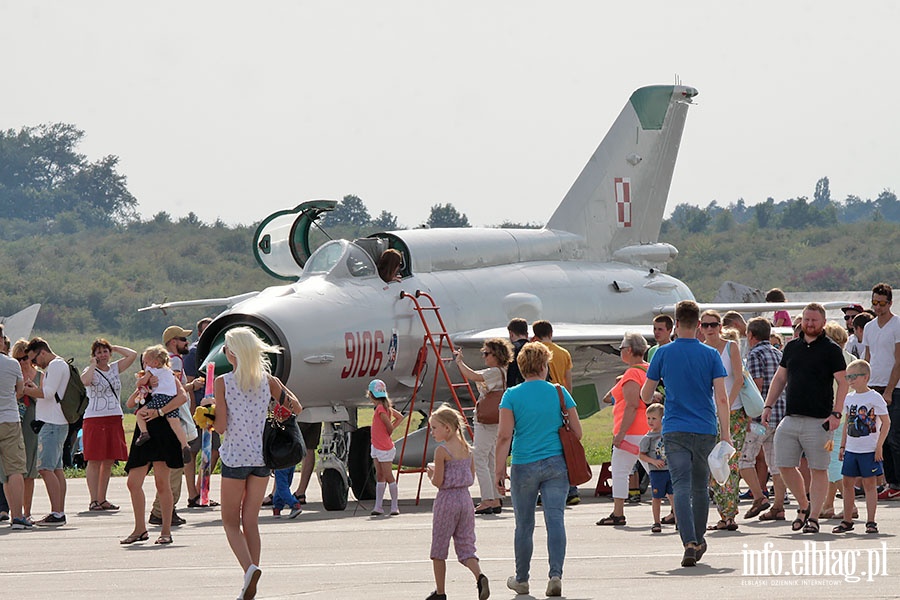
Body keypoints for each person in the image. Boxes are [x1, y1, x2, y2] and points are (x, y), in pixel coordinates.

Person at [640, 300, 730, 568]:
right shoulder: (711, 354)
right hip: (704, 427)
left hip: (675, 427)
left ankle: (688, 541)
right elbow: (722, 398)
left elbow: (646, 394)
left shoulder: (662, 353)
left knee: (679, 484)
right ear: (699, 325)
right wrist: (725, 434)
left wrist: (656, 395)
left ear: (676, 324)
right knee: (700, 486)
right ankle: (699, 538)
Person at [215, 326, 301, 600]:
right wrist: (274, 415)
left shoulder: (223, 382)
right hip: (262, 457)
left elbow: (220, 427)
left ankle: (249, 569)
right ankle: (252, 576)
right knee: (250, 520)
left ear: (232, 353)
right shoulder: (269, 380)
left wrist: (207, 415)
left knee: (229, 521)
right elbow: (296, 407)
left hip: (234, 457)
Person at [495, 342, 580, 597]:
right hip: (556, 463)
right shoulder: (559, 392)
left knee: (524, 524)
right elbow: (577, 431)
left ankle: (522, 579)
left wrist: (499, 470)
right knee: (555, 520)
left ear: (521, 367)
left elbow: (503, 436)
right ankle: (555, 575)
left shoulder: (511, 395)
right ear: (545, 366)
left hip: (524, 463)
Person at [762, 303, 848, 535]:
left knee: (819, 469)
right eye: (806, 320)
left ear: (823, 322)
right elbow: (781, 378)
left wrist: (836, 413)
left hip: (819, 420)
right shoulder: (792, 347)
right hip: (791, 417)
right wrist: (768, 405)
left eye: (814, 320)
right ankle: (803, 504)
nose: (809, 324)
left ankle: (813, 517)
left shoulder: (831, 350)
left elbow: (844, 382)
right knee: (783, 465)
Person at [425, 404, 490, 600]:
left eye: (434, 428)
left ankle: (441, 592)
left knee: (439, 548)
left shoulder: (442, 451)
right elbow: (470, 477)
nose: (432, 432)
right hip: (465, 500)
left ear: (447, 427)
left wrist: (430, 474)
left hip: (447, 500)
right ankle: (479, 576)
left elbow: (439, 481)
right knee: (466, 545)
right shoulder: (467, 449)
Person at [121, 367, 190, 546]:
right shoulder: (144, 382)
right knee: (133, 483)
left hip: (164, 432)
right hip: (144, 436)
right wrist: (142, 386)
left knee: (162, 483)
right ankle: (140, 529)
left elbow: (182, 397)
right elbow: (130, 404)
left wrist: (160, 411)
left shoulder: (168, 378)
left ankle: (166, 531)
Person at [149, 325, 204, 527]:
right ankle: (162, 511)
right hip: (174, 419)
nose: (186, 343)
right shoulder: (175, 362)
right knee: (174, 467)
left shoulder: (170, 362)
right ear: (173, 342)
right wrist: (192, 386)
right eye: (182, 339)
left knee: (174, 468)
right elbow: (172, 391)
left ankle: (164, 509)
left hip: (173, 417)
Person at [699, 312, 747, 532]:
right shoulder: (699, 349)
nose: (710, 329)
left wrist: (726, 403)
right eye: (705, 324)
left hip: (733, 412)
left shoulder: (730, 348)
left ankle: (729, 514)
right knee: (712, 464)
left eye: (714, 324)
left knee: (729, 463)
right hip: (707, 413)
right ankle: (723, 512)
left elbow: (738, 378)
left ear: (720, 326)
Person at [454, 337, 513, 514]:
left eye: (487, 353)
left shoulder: (495, 371)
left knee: (479, 457)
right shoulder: (500, 371)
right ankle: (495, 497)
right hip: (495, 419)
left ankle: (488, 499)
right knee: (490, 458)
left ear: (496, 355)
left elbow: (474, 376)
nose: (484, 357)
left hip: (486, 420)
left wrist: (459, 363)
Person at [596, 332, 649, 526]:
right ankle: (674, 510)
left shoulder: (632, 374)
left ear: (628, 350)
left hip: (631, 432)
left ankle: (618, 512)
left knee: (620, 471)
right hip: (649, 428)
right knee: (656, 471)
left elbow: (631, 405)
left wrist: (620, 434)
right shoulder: (647, 370)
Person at [834, 359, 890, 534]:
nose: (850, 380)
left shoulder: (874, 397)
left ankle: (871, 521)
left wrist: (879, 446)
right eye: (848, 377)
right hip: (852, 448)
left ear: (865, 377)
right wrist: (842, 446)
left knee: (869, 485)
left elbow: (886, 423)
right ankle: (847, 519)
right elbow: (847, 424)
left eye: (853, 376)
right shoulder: (849, 398)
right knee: (847, 483)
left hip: (869, 449)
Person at [80, 339, 137, 512]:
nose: (102, 355)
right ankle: (93, 500)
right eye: (98, 352)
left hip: (114, 417)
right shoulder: (90, 370)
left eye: (105, 351)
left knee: (108, 460)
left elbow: (133, 355)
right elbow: (85, 381)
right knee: (94, 459)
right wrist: (92, 365)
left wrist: (115, 347)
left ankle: (102, 498)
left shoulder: (114, 368)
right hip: (95, 418)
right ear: (94, 355)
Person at [739, 318, 787, 522]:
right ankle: (779, 505)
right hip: (780, 415)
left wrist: (750, 416)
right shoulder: (778, 353)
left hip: (761, 419)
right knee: (775, 463)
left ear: (751, 335)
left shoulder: (754, 354)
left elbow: (756, 387)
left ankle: (759, 496)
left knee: (744, 459)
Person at [23, 337, 71, 527]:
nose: (34, 364)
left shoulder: (55, 365)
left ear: (42, 352)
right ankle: (59, 511)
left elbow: (48, 393)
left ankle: (57, 512)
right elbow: (48, 393)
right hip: (55, 422)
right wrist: (36, 389)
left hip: (52, 423)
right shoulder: (57, 365)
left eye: (34, 359)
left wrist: (27, 391)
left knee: (45, 468)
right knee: (56, 469)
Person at [532, 320, 579, 505]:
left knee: (544, 446)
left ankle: (545, 492)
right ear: (551, 333)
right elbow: (569, 381)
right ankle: (572, 489)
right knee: (566, 445)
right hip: (560, 398)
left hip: (541, 400)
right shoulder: (563, 352)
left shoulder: (535, 352)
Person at [862, 283, 900, 500]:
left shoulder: (897, 325)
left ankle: (897, 481)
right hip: (874, 385)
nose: (877, 307)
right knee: (880, 438)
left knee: (894, 435)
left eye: (882, 303)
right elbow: (868, 358)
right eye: (875, 302)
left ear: (890, 303)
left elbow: (898, 360)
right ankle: (891, 482)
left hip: (893, 388)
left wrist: (889, 389)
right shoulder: (869, 327)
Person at [133, 346, 192, 464]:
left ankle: (144, 433)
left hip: (160, 397)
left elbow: (141, 382)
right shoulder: (169, 371)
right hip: (171, 398)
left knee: (140, 414)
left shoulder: (152, 370)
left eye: (146, 361)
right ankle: (185, 445)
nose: (145, 364)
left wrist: (142, 381)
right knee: (175, 423)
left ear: (154, 362)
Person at [0, 330, 29, 530]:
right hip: (9, 419)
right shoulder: (12, 364)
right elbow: (19, 391)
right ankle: (17, 516)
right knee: (15, 469)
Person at [10, 339, 41, 522]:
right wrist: (19, 392)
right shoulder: (10, 374)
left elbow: (46, 397)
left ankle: (27, 511)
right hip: (14, 422)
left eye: (25, 358)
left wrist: (33, 391)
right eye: (18, 359)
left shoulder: (40, 375)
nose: (22, 362)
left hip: (32, 423)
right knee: (14, 469)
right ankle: (15, 511)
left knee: (29, 470)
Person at [368, 378, 403, 516]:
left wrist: (389, 429)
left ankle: (394, 506)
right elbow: (400, 417)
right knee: (380, 475)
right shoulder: (384, 408)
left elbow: (389, 427)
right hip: (377, 446)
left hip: (384, 447)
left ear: (371, 395)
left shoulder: (381, 409)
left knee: (388, 476)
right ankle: (378, 506)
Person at [639, 403, 674, 534]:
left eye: (654, 418)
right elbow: (641, 455)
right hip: (656, 472)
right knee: (657, 497)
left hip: (670, 470)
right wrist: (653, 461)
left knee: (673, 495)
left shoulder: (668, 435)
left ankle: (678, 519)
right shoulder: (647, 438)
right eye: (648, 418)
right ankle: (656, 521)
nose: (650, 421)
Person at [506, 318, 529, 388]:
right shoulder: (537, 348)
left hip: (519, 389)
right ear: (527, 334)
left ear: (511, 334)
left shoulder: (512, 349)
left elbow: (511, 374)